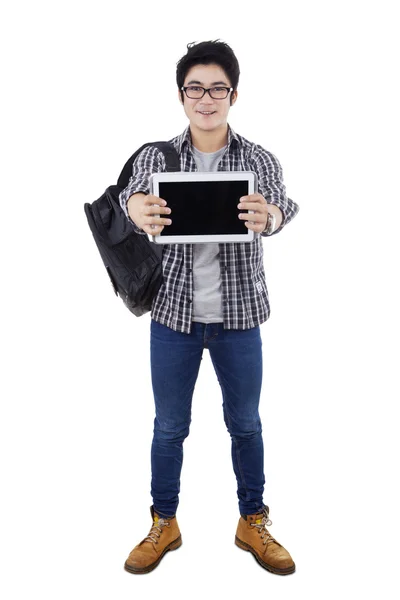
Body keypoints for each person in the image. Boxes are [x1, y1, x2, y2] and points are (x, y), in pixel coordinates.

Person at [119, 40, 299, 575]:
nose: (206, 98)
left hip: (239, 319)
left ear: (233, 94)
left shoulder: (258, 159)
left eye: (217, 88)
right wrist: (134, 206)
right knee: (169, 427)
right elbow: (127, 198)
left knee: (246, 424)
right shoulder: (157, 157)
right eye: (195, 88)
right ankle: (164, 522)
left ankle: (253, 520)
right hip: (173, 316)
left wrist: (270, 216)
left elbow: (283, 204)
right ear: (182, 96)